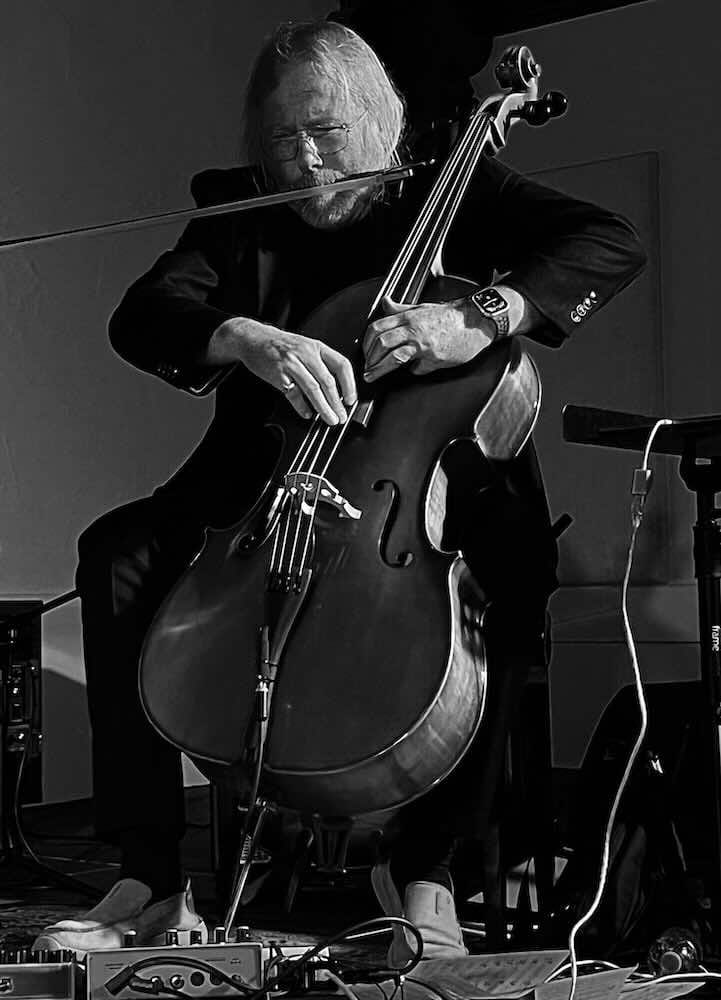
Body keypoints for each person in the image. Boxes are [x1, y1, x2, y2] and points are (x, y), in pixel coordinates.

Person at [34, 19, 646, 960]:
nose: (307, 161)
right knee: (119, 553)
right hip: (264, 481)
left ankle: (425, 869)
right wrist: (243, 337)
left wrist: (481, 314)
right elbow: (145, 314)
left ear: (382, 119)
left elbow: (605, 242)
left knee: (506, 578)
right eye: (282, 140)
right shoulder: (246, 210)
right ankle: (150, 878)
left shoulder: (452, 185)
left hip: (438, 484)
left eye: (325, 131)